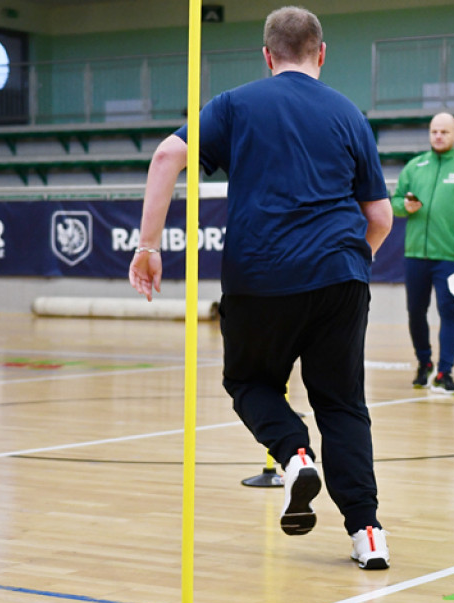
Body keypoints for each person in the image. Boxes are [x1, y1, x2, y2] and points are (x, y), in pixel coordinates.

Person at [128, 6, 393, 570]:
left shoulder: (235, 104)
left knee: (249, 381)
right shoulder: (349, 114)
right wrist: (353, 261)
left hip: (260, 276)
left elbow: (167, 156)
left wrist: (149, 246)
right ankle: (367, 533)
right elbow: (381, 216)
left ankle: (294, 455)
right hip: (340, 277)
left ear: (267, 56)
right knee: (343, 404)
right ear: (321, 53)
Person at [391, 112, 454, 395]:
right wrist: (403, 207)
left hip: (448, 256)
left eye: (444, 132)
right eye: (434, 131)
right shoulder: (414, 166)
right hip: (415, 254)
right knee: (415, 312)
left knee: (448, 312)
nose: (438, 136)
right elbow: (394, 201)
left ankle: (445, 372)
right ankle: (424, 362)